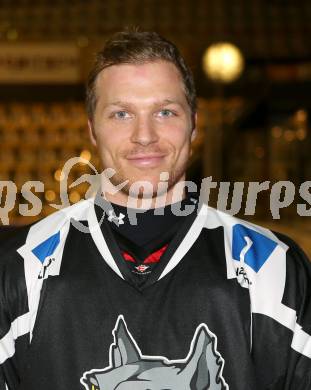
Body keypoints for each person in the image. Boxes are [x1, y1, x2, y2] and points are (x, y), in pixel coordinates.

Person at [0, 31, 310, 390]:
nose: (144, 135)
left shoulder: (273, 265)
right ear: (92, 130)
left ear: (194, 123)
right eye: (121, 114)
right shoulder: (21, 265)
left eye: (165, 112)